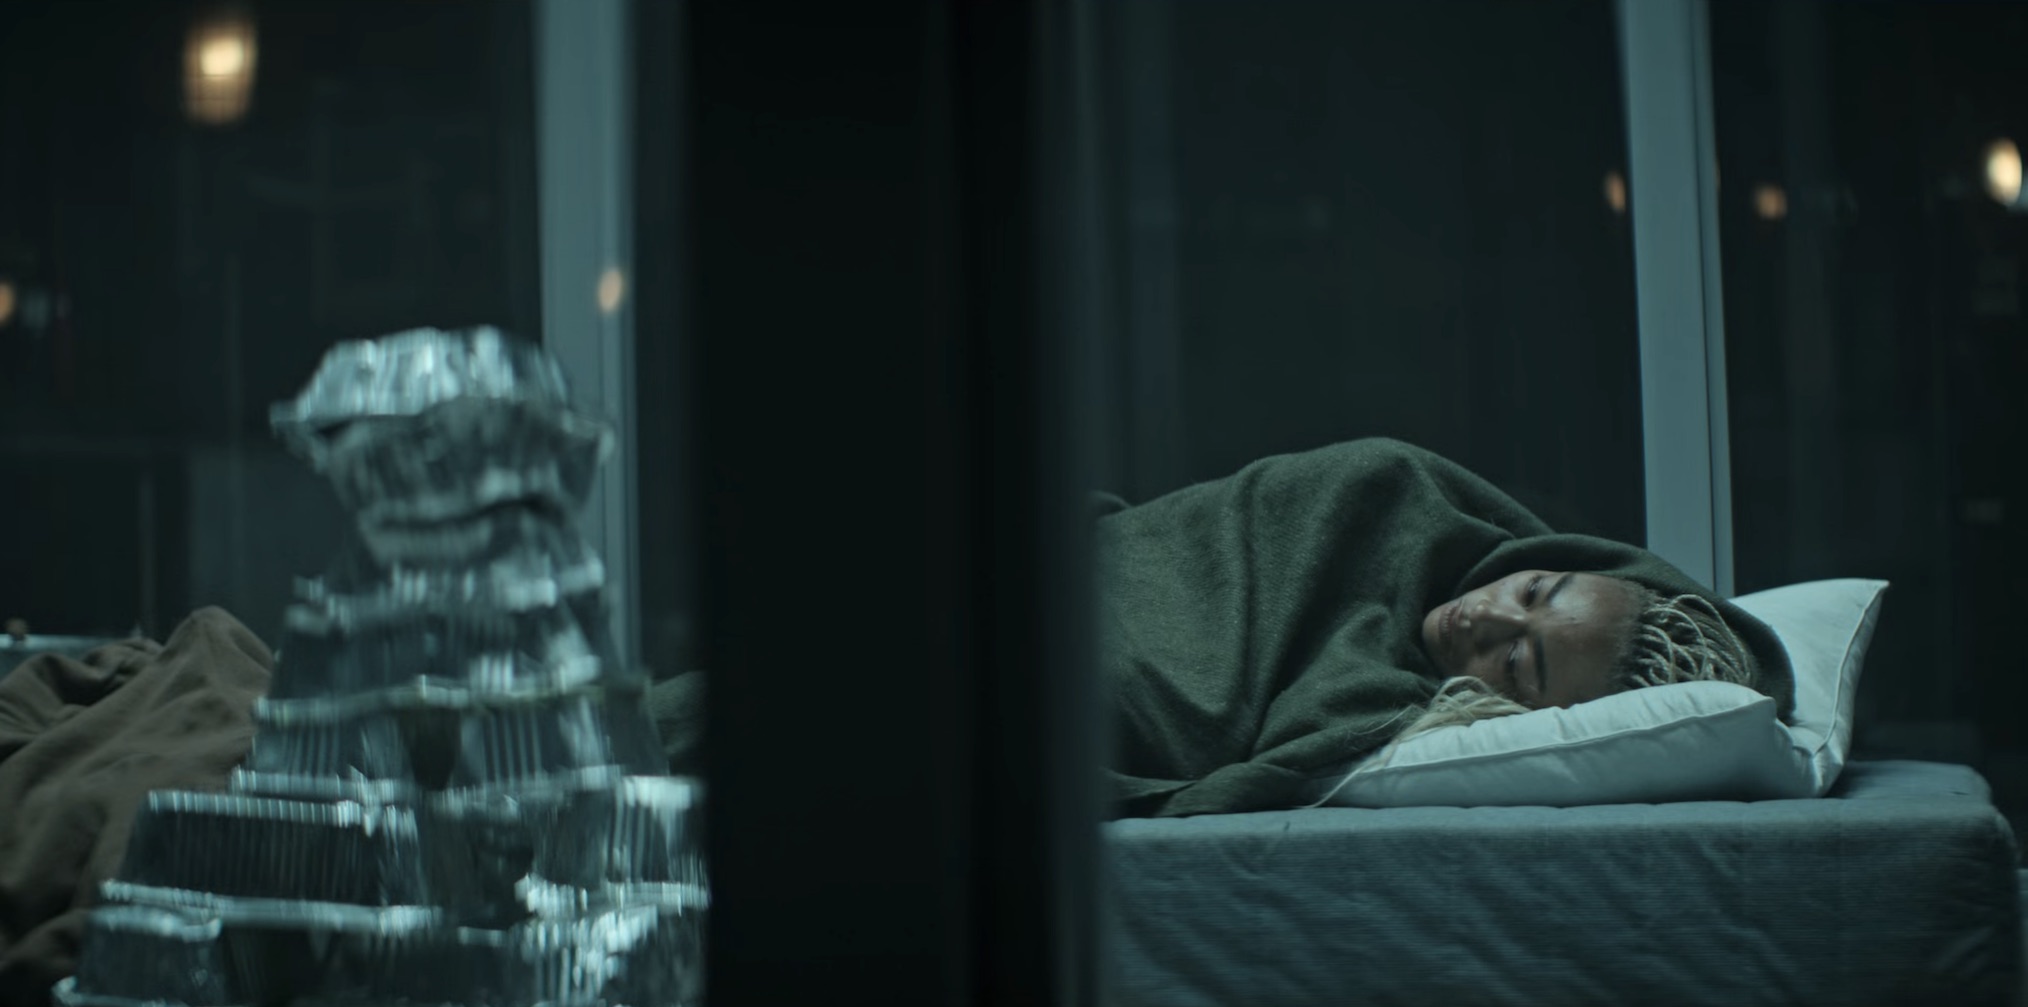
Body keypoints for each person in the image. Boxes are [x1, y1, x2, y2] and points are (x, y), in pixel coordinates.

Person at [1098, 437, 1791, 818]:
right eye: (1534, 590)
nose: (1487, 616)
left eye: (1516, 662)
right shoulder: (1399, 488)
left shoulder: (1380, 704)